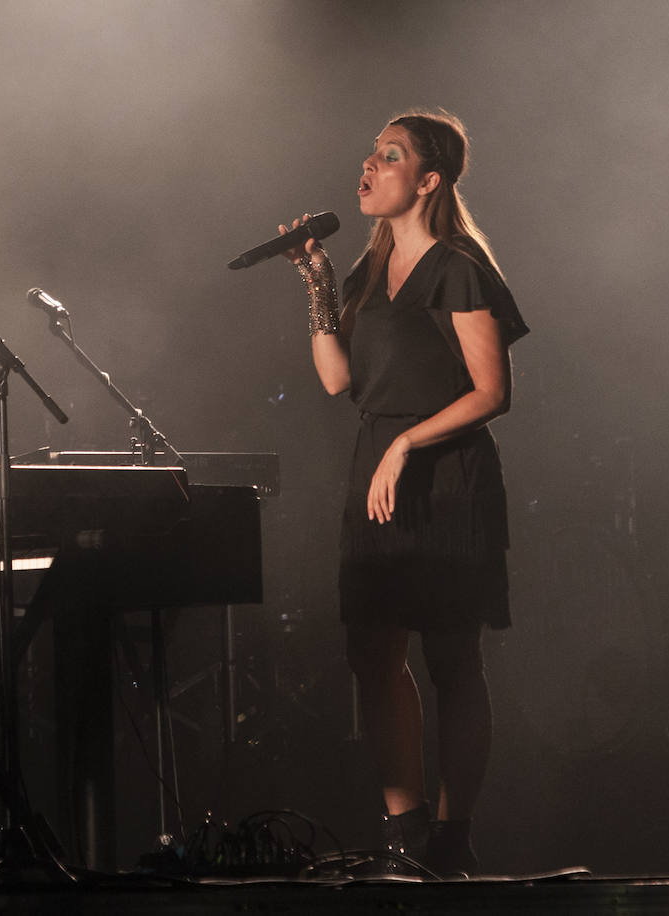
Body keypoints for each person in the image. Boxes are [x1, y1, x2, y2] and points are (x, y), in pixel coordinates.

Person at [280, 110, 528, 877]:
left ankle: (454, 837)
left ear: (429, 180)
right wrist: (319, 287)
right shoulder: (366, 272)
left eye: (389, 156)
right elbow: (335, 379)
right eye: (369, 153)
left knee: (452, 655)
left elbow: (492, 392)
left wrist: (409, 442)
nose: (368, 165)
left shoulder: (458, 266)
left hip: (444, 472)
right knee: (373, 652)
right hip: (378, 468)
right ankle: (406, 835)